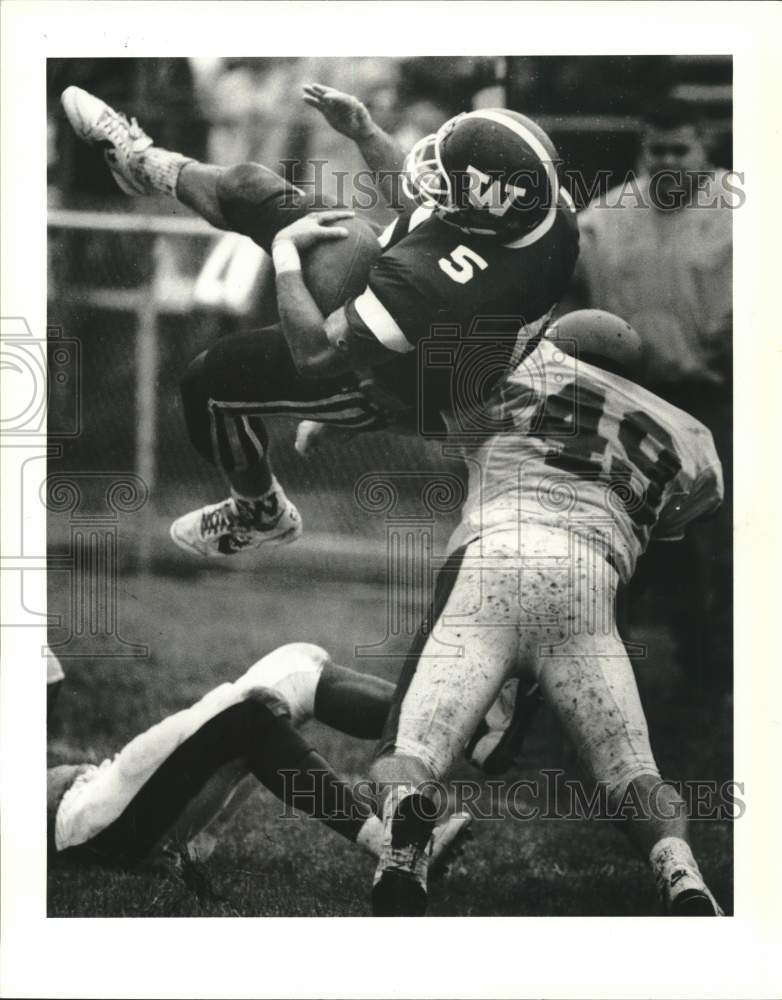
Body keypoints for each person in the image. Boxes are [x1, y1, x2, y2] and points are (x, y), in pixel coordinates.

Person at [60, 84, 579, 558]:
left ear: (482, 208)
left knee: (206, 383)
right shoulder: (546, 212)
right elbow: (421, 197)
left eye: (450, 182)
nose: (432, 179)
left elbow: (315, 355)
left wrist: (285, 255)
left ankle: (258, 510)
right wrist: (366, 133)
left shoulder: (432, 285)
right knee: (249, 188)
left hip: (396, 380)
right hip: (431, 323)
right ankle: (143, 163)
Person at [364, 309, 725, 917]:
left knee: (412, 750)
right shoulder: (686, 437)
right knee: (632, 770)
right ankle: (682, 874)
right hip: (589, 582)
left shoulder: (514, 369)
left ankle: (406, 820)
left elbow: (437, 422)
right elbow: (670, 525)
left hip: (494, 561)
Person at [48, 642, 476, 878]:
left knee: (296, 664)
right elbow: (47, 676)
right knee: (251, 712)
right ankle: (396, 844)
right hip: (85, 818)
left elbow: (47, 676)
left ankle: (469, 726)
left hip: (114, 807)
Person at [564, 97, 732, 695]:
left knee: (717, 538)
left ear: (704, 148)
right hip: (628, 399)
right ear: (642, 150)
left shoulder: (745, 209)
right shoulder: (604, 217)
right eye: (655, 150)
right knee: (616, 531)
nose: (666, 161)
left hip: (718, 397)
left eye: (679, 149)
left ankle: (716, 670)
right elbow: (562, 288)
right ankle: (600, 667)